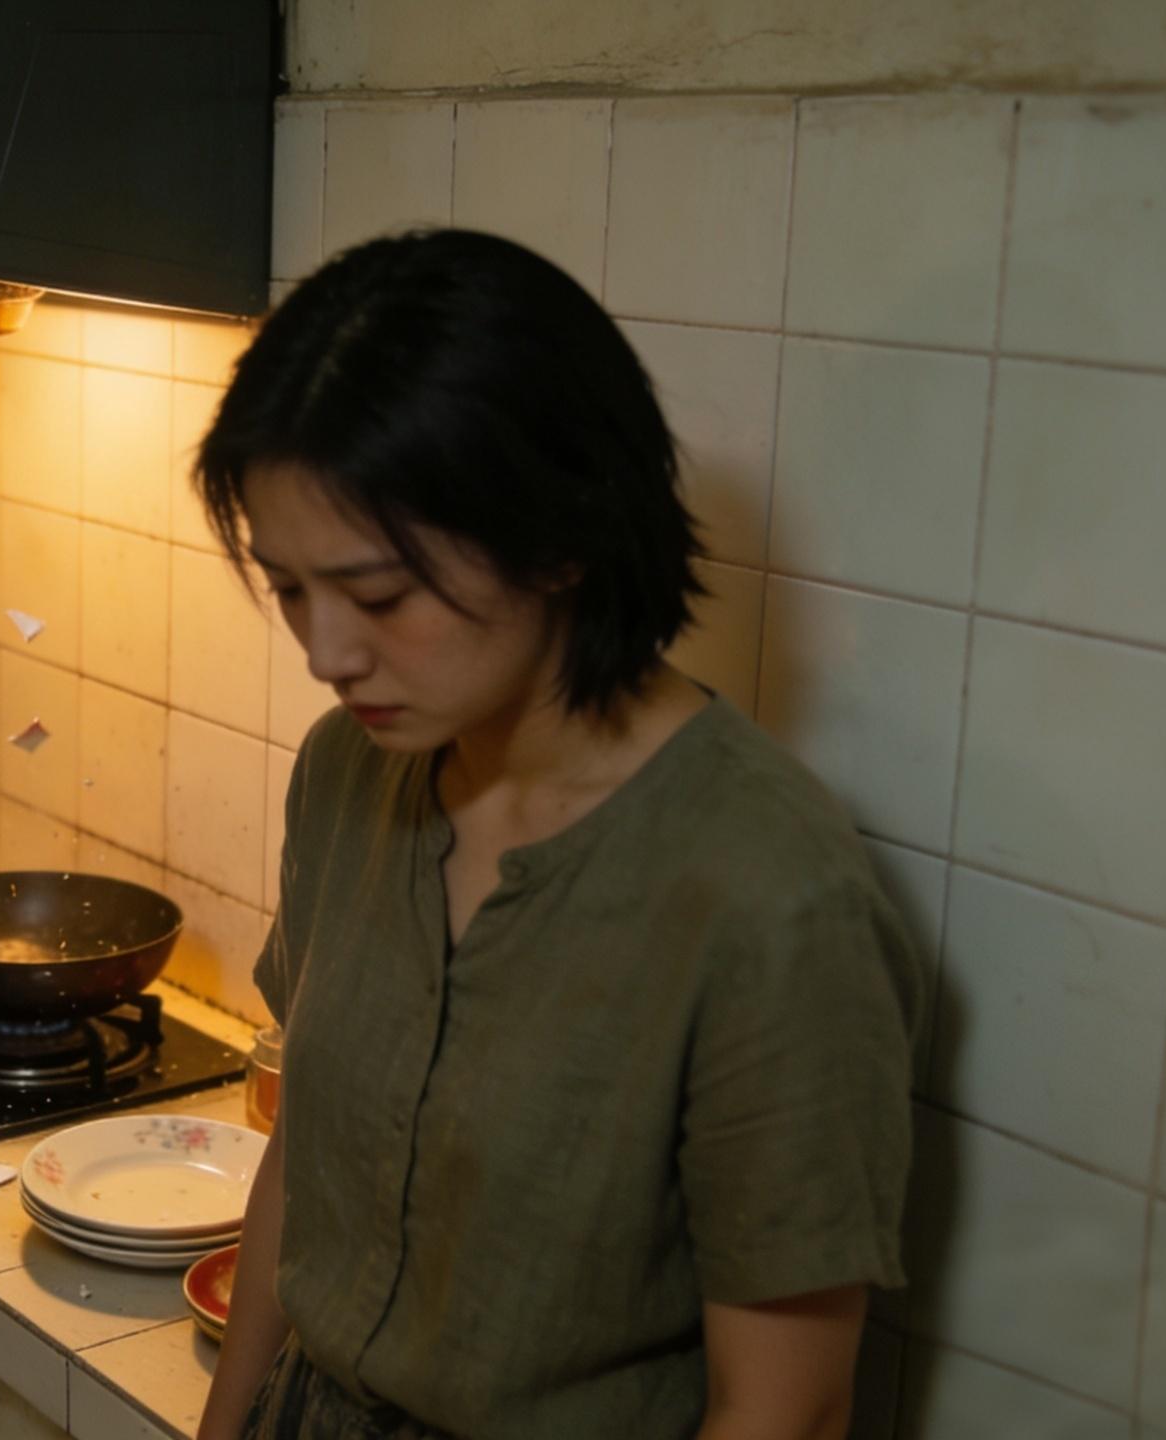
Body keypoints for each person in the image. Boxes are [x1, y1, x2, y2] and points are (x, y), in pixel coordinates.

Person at [190, 231, 922, 1439]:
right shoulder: (346, 775)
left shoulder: (770, 896)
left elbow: (781, 1410)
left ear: (558, 538)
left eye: (376, 595)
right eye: (290, 589)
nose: (325, 654)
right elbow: (302, 1158)